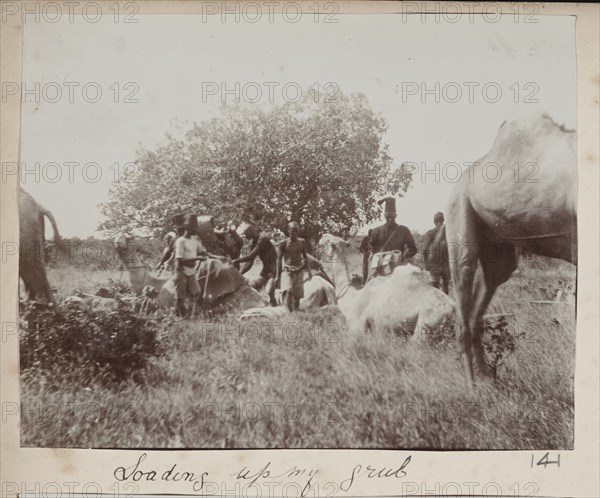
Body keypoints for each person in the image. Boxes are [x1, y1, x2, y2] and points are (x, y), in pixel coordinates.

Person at [368, 196, 417, 279]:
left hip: (398, 268)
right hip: (380, 267)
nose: (390, 220)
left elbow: (413, 248)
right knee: (371, 285)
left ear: (396, 216)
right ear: (384, 216)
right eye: (388, 217)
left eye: (392, 217)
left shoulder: (403, 230)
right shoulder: (376, 231)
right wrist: (372, 253)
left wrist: (403, 258)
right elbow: (370, 245)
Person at [232, 223, 278, 306]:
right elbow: (250, 262)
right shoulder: (254, 241)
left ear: (251, 231)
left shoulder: (262, 239)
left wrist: (236, 261)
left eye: (246, 234)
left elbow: (251, 256)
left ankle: (275, 306)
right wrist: (240, 274)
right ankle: (264, 305)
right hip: (267, 269)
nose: (245, 237)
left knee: (270, 290)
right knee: (254, 286)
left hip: (275, 268)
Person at [174, 214, 206, 317]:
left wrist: (217, 257)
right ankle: (179, 317)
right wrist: (197, 258)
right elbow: (180, 259)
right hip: (181, 272)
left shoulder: (194, 241)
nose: (196, 230)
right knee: (180, 297)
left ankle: (198, 314)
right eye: (194, 227)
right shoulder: (180, 241)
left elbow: (202, 253)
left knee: (197, 293)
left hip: (191, 272)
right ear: (187, 228)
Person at [276, 221, 311, 312]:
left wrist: (309, 270)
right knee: (288, 290)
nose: (295, 234)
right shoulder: (283, 243)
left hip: (299, 269)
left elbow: (305, 256)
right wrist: (277, 276)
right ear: (288, 231)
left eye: (296, 231)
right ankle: (289, 311)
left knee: (298, 294)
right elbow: (279, 259)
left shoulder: (302, 242)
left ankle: (296, 311)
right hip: (288, 270)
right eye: (292, 231)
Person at [422, 211, 450, 294]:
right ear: (443, 221)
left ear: (434, 222)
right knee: (446, 286)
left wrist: (426, 264)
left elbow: (425, 249)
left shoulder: (430, 233)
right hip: (446, 264)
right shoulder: (448, 233)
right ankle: (446, 305)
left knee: (435, 288)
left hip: (434, 264)